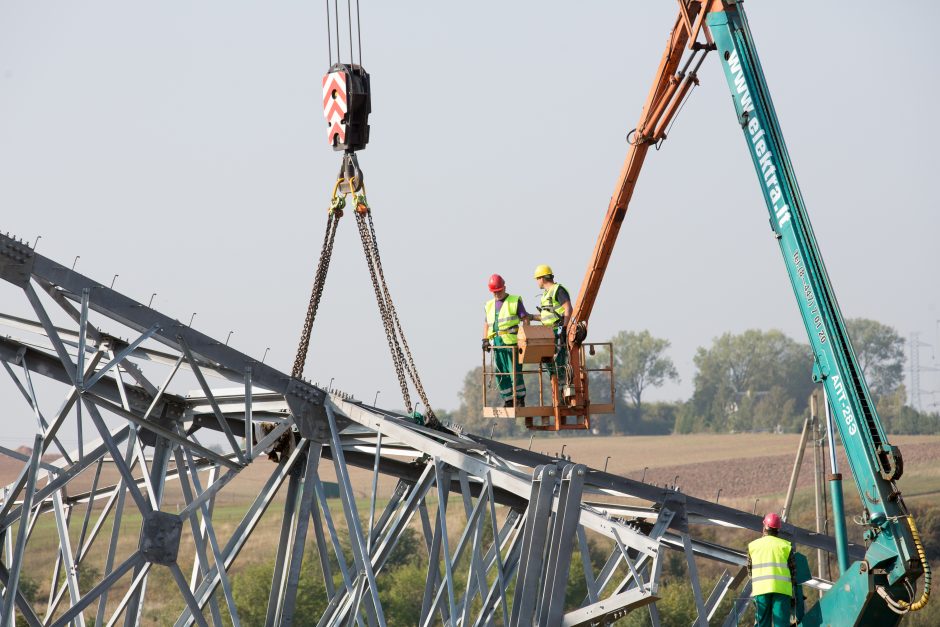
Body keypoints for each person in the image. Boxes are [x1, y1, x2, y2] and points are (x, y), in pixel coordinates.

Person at [482, 273, 528, 408]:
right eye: (494, 292)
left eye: (499, 291)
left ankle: (519, 399)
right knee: (500, 372)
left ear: (504, 287)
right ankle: (508, 399)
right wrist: (485, 339)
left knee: (514, 372)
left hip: (512, 342)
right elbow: (486, 324)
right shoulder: (489, 305)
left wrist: (524, 338)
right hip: (496, 343)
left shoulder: (514, 301)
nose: (497, 294)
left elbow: (525, 319)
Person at [747, 512, 797, 627]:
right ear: (778, 529)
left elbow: (749, 571)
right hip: (782, 590)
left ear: (765, 526)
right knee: (781, 624)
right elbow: (793, 571)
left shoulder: (753, 546)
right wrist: (792, 588)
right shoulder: (785, 546)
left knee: (762, 623)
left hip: (761, 589)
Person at [530, 264, 573, 385]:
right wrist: (531, 317)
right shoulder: (545, 294)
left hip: (557, 330)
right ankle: (556, 385)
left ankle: (562, 387)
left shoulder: (558, 290)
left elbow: (568, 309)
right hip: (547, 333)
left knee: (560, 361)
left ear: (542, 278)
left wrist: (563, 328)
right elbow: (546, 317)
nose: (537, 282)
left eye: (537, 279)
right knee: (546, 359)